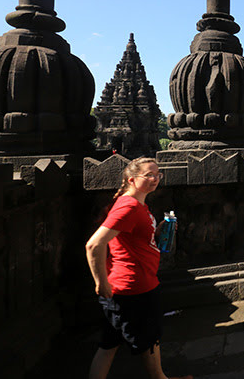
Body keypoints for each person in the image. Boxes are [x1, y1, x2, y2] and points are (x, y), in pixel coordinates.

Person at [85, 157, 192, 379]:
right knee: (148, 338)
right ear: (131, 180)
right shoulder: (129, 206)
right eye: (149, 175)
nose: (155, 179)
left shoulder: (138, 204)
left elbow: (132, 238)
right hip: (133, 287)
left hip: (133, 283)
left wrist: (158, 231)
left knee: (110, 343)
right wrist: (100, 282)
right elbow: (94, 244)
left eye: (158, 174)